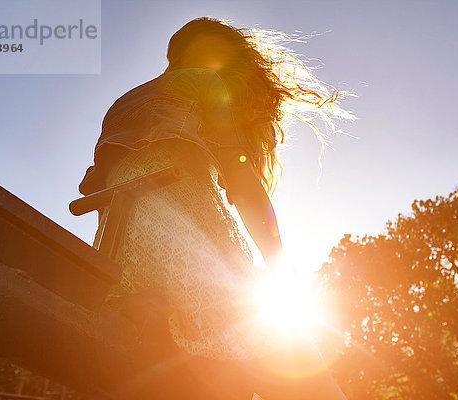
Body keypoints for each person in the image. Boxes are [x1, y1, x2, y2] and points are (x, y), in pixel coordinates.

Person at [78, 17, 351, 400]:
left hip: (122, 254)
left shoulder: (123, 102)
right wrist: (276, 259)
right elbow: (241, 181)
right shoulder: (206, 83)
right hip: (191, 241)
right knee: (294, 367)